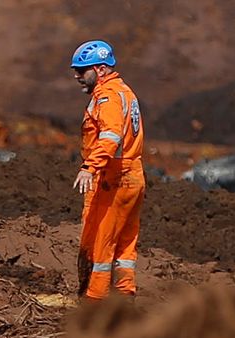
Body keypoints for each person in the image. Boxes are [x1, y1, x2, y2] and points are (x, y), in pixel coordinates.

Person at [70, 39, 145, 300]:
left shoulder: (108, 96)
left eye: (82, 70)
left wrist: (90, 167)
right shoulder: (125, 91)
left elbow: (110, 137)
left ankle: (94, 305)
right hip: (133, 175)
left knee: (101, 245)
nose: (77, 76)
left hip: (115, 178)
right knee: (125, 245)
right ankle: (124, 300)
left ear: (100, 69)